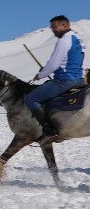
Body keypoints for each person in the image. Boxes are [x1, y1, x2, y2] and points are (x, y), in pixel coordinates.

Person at [24, 15, 86, 143]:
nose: (53, 30)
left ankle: (49, 130)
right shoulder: (78, 39)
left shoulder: (64, 41)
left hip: (64, 80)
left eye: (55, 27)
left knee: (31, 98)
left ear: (65, 25)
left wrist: (40, 75)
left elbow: (53, 64)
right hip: (79, 79)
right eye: (52, 28)